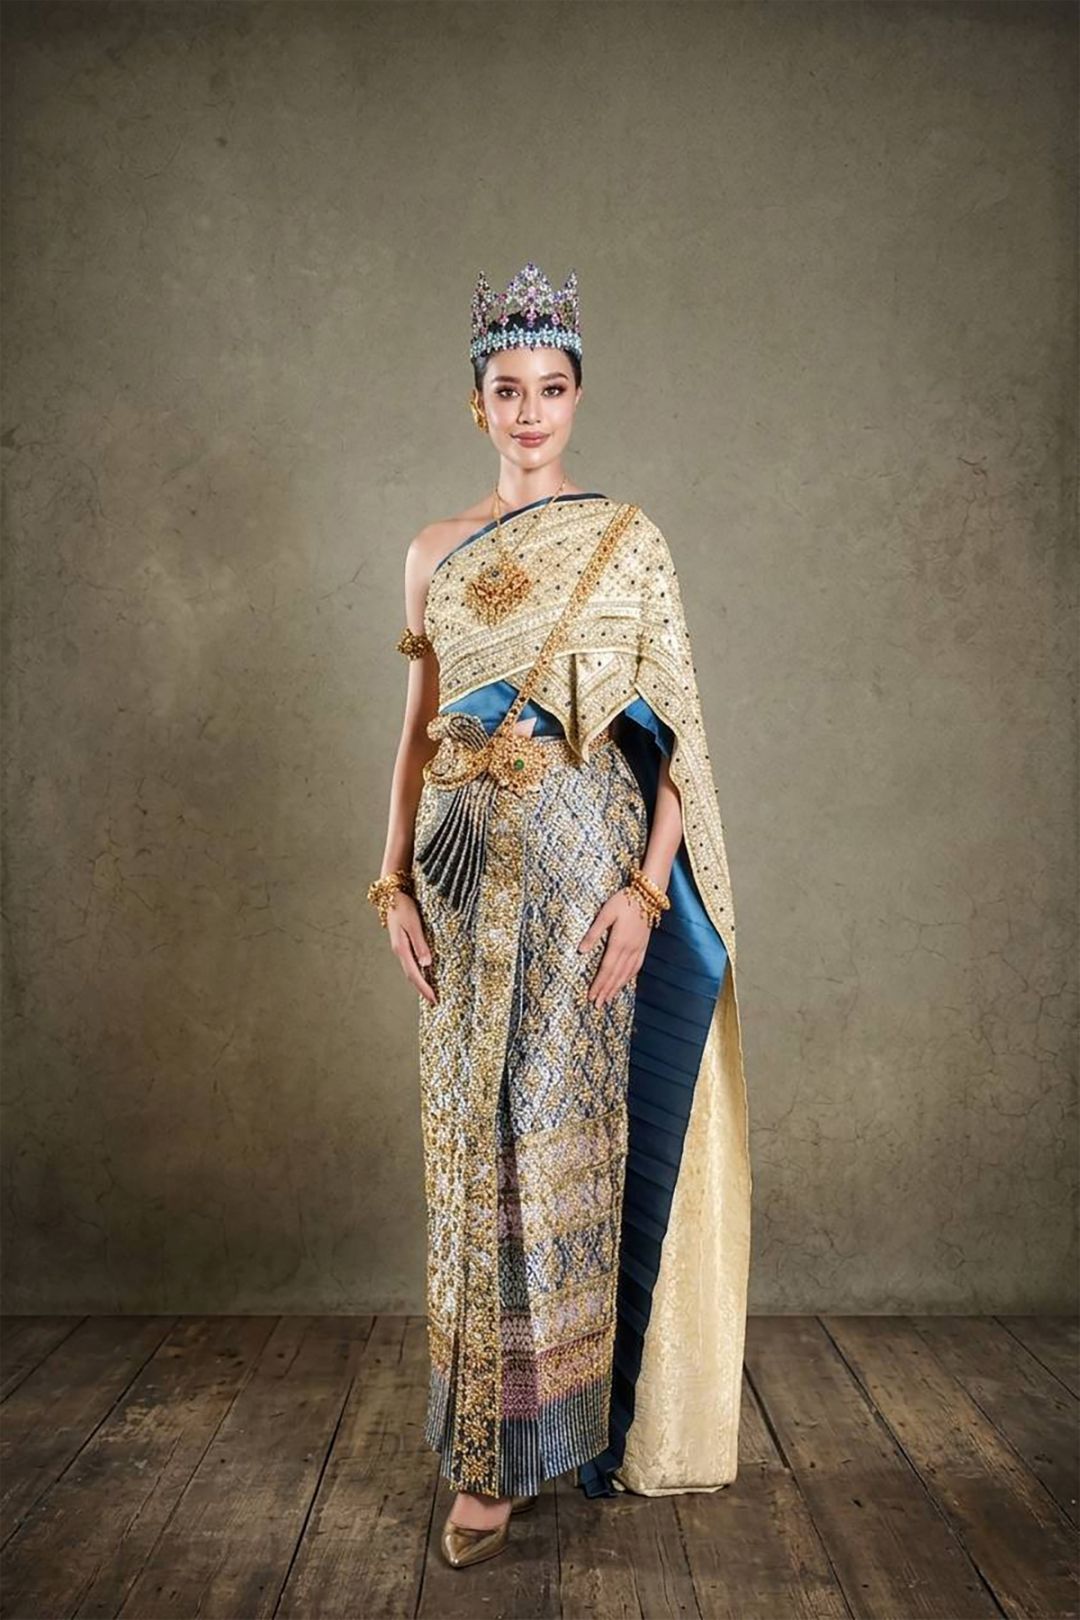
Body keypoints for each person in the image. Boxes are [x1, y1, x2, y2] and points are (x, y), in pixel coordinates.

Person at [367, 261, 751, 1570]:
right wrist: (390, 879)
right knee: (471, 1149)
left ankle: (558, 1435)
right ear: (474, 403)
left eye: (551, 388)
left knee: (554, 1142)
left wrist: (646, 892)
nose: (529, 411)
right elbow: (418, 731)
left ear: (578, 398)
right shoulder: (431, 550)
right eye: (506, 389)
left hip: (588, 863)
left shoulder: (628, 540)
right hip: (461, 866)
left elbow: (682, 735)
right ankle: (483, 1452)